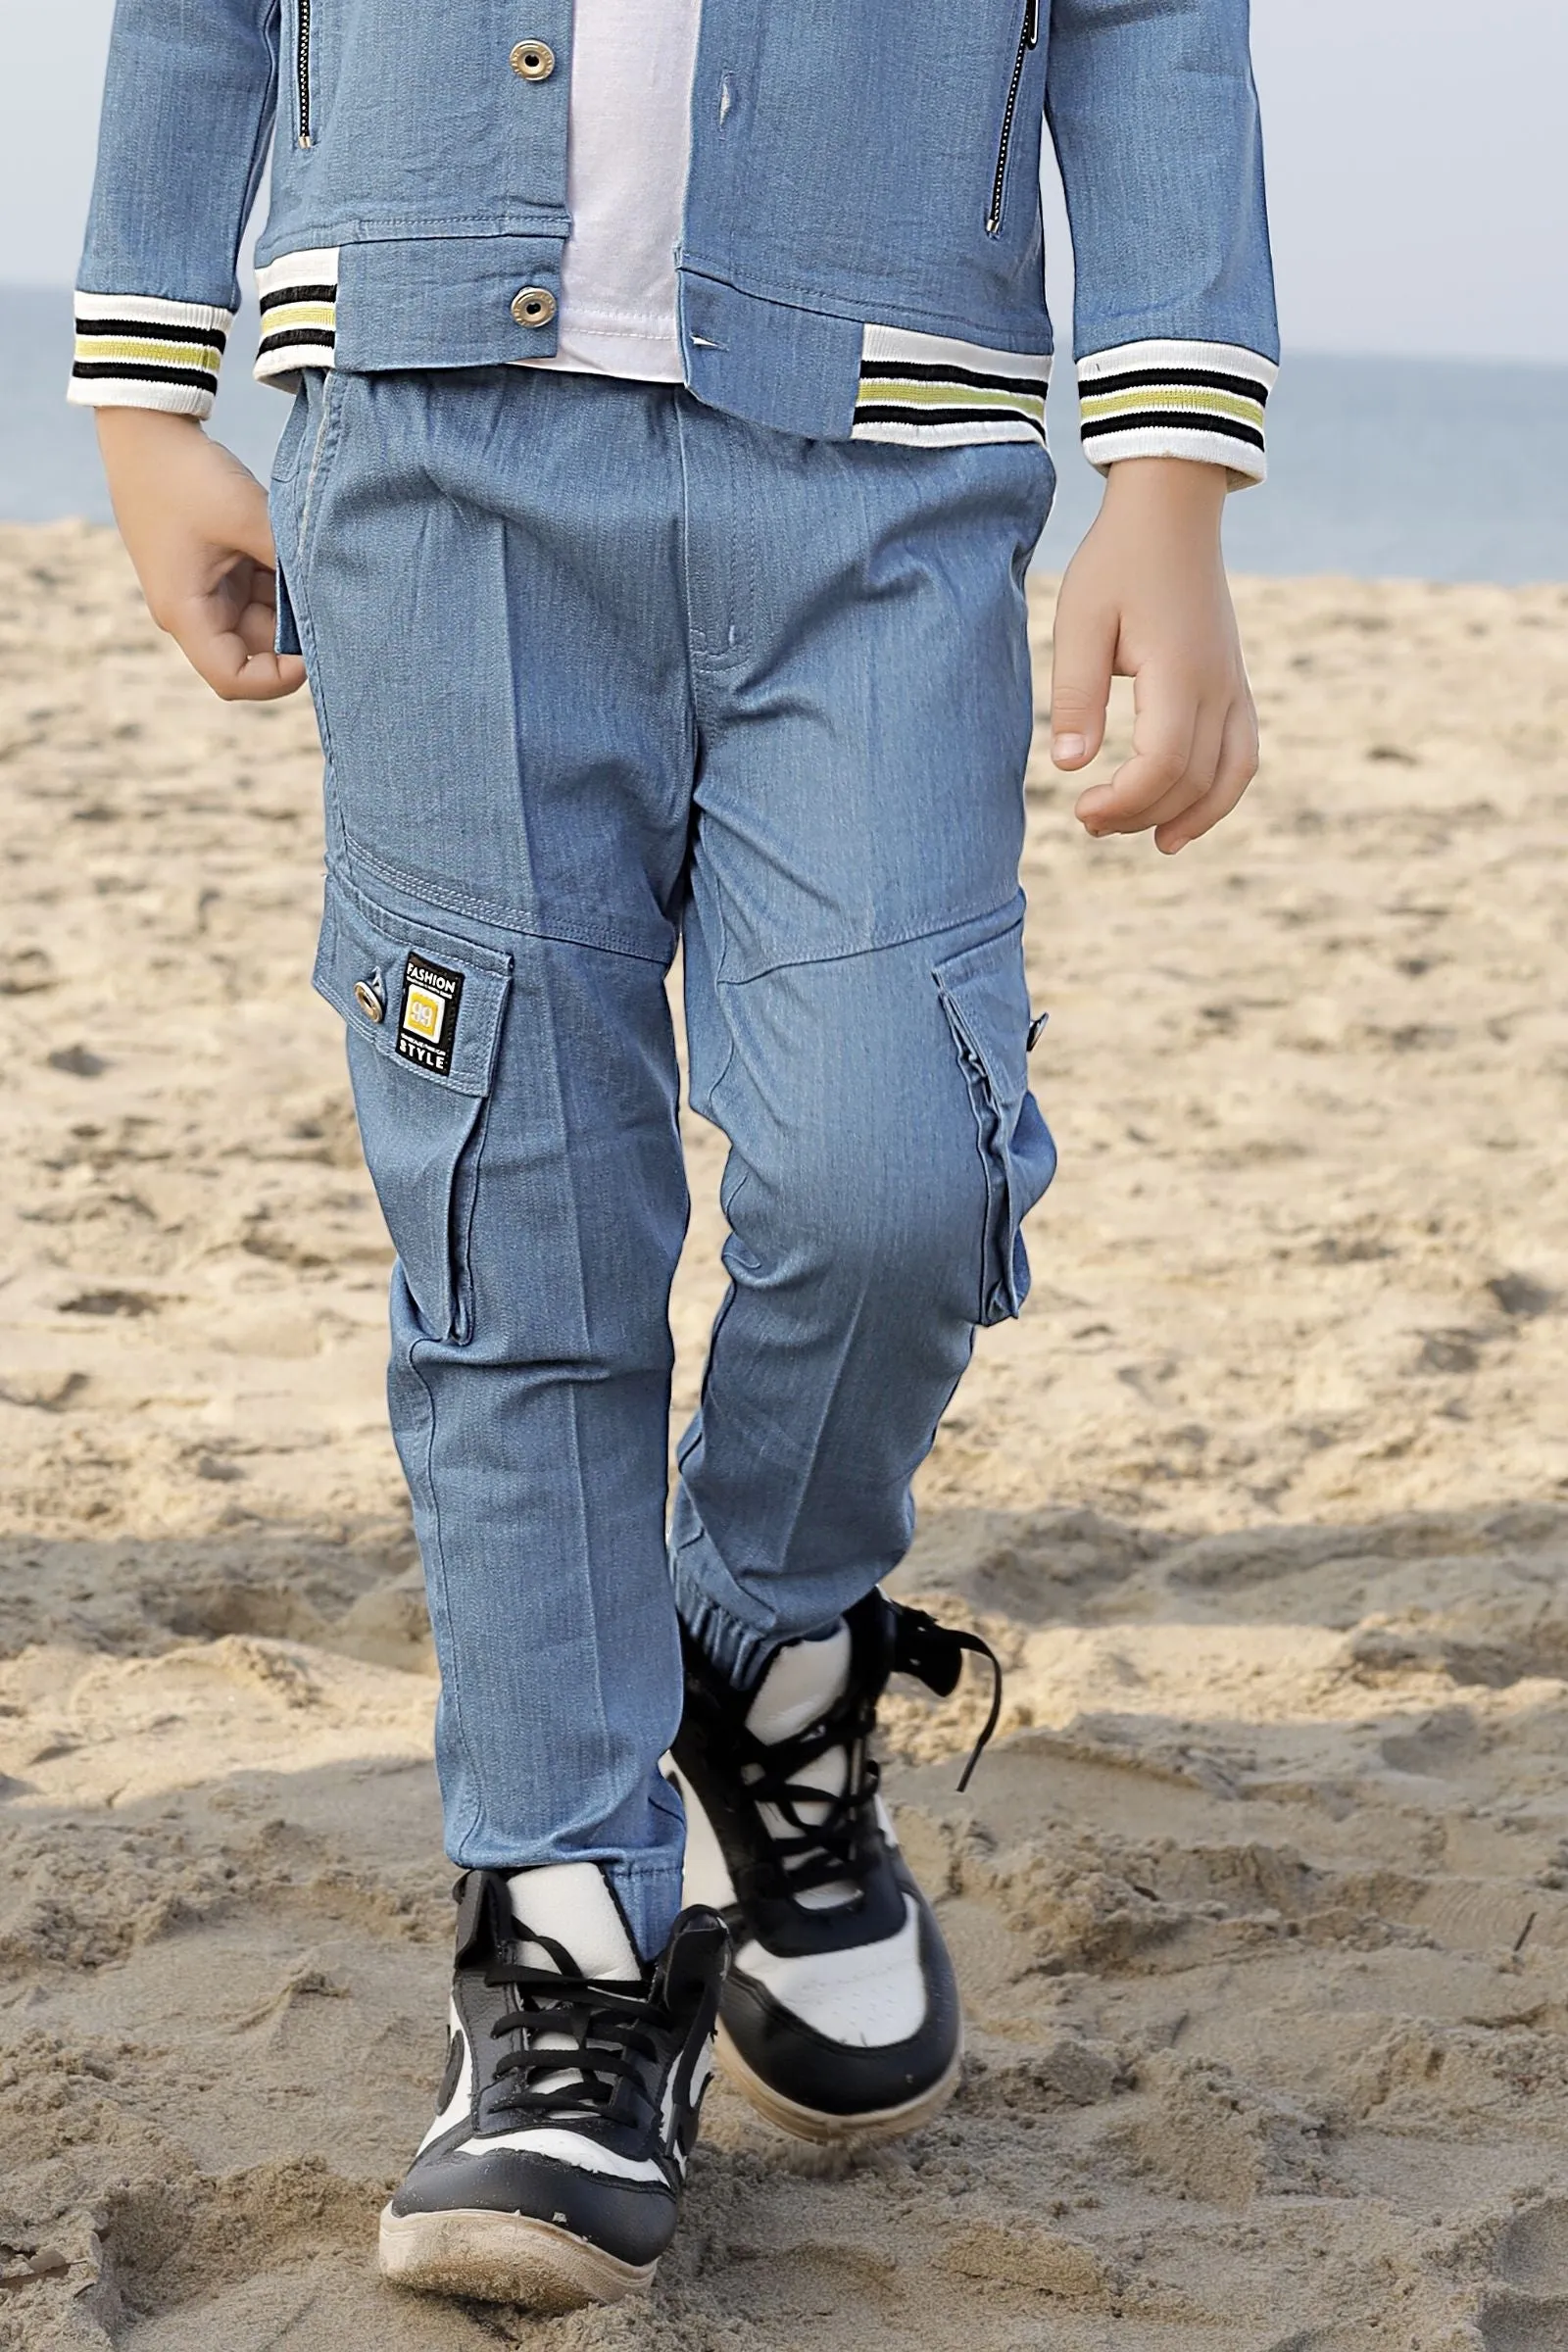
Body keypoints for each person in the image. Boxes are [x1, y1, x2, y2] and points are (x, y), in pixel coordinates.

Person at [71, 0, 1276, 2310]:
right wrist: (144, 394)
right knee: (515, 1225)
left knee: (894, 1168)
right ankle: (563, 1950)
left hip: (886, 462)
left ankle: (764, 1650)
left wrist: (1169, 485)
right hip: (424, 445)